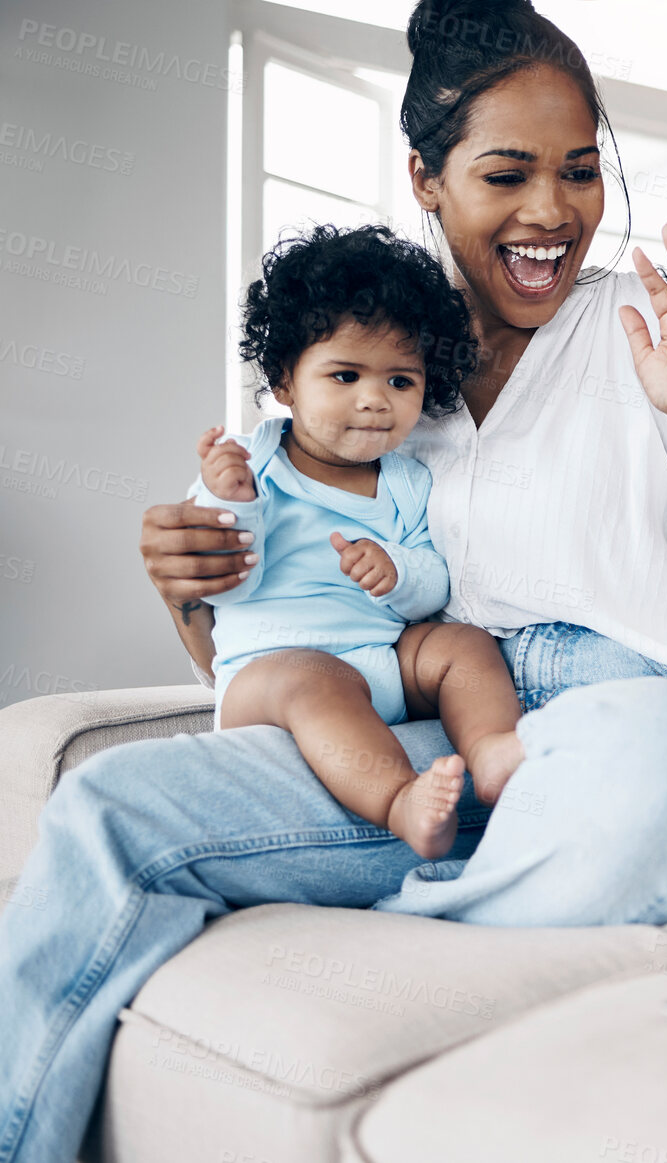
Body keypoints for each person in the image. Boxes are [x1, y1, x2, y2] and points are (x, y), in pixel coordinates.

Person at [0, 2, 667, 1159]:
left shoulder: (655, 327)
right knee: (110, 807)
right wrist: (191, 595)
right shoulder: (376, 371)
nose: (554, 211)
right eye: (508, 173)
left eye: (581, 170)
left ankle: (411, 943)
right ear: (426, 178)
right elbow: (281, 653)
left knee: (650, 754)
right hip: (454, 742)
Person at [193, 224, 524, 859]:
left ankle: (491, 753)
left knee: (461, 643)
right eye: (345, 376)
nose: (375, 400)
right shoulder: (250, 465)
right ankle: (400, 800)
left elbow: (435, 579)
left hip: (378, 659)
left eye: (401, 381)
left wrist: (399, 573)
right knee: (314, 675)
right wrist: (229, 504)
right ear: (284, 382)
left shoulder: (406, 480)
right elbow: (222, 577)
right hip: (272, 677)